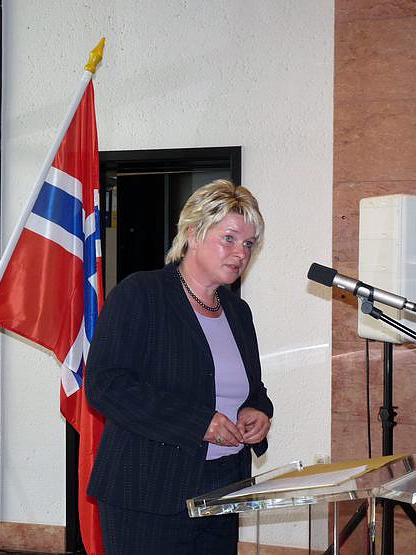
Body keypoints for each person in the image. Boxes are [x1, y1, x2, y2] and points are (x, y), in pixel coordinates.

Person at [86, 179, 273, 554]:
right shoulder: (141, 294)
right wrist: (199, 422)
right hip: (148, 490)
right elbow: (106, 385)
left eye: (249, 244)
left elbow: (252, 389)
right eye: (229, 239)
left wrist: (258, 410)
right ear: (193, 233)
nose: (240, 253)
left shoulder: (238, 312)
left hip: (224, 489)